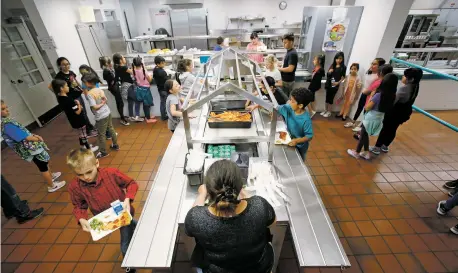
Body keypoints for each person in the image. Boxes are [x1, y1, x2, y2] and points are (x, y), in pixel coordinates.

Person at [185, 160, 276, 273]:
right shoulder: (259, 205)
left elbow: (189, 229)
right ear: (240, 187)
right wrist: (245, 196)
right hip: (259, 268)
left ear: (209, 189)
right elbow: (273, 222)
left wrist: (201, 194)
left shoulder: (196, 218)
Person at [67, 148, 138, 273]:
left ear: (97, 163)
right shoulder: (74, 187)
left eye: (89, 172)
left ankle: (129, 264)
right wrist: (81, 218)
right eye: (80, 175)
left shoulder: (111, 173)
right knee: (132, 224)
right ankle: (139, 226)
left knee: (125, 242)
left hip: (123, 213)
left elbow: (131, 183)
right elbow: (78, 205)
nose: (86, 177)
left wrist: (128, 198)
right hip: (105, 218)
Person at [1, 100, 66, 193]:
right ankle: (52, 185)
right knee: (42, 165)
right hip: (30, 148)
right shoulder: (7, 125)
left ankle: (51, 175)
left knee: (44, 160)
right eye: (3, 109)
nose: (7, 110)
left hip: (30, 146)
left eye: (6, 107)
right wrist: (36, 138)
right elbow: (23, 137)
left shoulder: (6, 122)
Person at [370, 68, 423, 155]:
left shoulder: (404, 89)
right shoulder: (416, 86)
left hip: (395, 112)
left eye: (405, 76)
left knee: (385, 129)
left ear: (411, 79)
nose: (403, 77)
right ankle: (385, 145)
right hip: (404, 112)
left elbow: (393, 101)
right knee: (393, 129)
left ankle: (377, 147)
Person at [347, 73, 397, 160]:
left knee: (362, 135)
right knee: (365, 135)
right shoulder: (393, 96)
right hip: (379, 118)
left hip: (371, 117)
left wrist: (371, 96)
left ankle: (357, 152)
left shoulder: (378, 95)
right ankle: (366, 152)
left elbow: (367, 107)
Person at [53, 57, 97, 136]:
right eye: (64, 65)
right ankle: (88, 131)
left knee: (84, 112)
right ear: (59, 66)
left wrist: (83, 90)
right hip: (72, 98)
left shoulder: (71, 72)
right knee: (80, 113)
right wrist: (62, 95)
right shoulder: (59, 76)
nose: (66, 66)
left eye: (67, 64)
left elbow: (75, 82)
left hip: (78, 94)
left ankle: (90, 128)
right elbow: (52, 86)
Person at [52, 79, 99, 152]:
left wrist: (76, 105)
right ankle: (88, 149)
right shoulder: (68, 100)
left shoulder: (60, 99)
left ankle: (83, 146)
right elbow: (77, 112)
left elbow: (71, 109)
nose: (68, 87)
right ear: (61, 88)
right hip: (79, 121)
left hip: (73, 121)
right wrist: (79, 105)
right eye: (66, 86)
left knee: (81, 134)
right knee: (83, 135)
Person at [82, 73, 119, 159]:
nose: (83, 84)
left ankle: (103, 152)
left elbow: (94, 107)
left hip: (101, 116)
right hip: (107, 112)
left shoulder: (90, 94)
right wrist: (103, 103)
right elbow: (104, 100)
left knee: (101, 134)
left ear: (88, 83)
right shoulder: (99, 90)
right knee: (111, 128)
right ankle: (115, 145)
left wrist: (101, 104)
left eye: (84, 82)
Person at [344, 57, 386, 128]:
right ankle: (353, 122)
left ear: (380, 66)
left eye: (375, 64)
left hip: (370, 95)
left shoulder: (379, 76)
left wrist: (370, 92)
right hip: (364, 93)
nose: (372, 65)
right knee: (359, 107)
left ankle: (361, 126)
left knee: (366, 110)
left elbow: (376, 87)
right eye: (372, 63)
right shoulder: (369, 71)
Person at [277, 88, 314, 160]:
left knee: (299, 160)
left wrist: (297, 141)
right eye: (290, 100)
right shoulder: (288, 108)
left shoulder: (306, 120)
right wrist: (258, 106)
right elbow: (276, 108)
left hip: (300, 146)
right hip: (289, 140)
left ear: (300, 105)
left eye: (292, 101)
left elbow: (309, 136)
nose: (289, 102)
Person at [100, 56, 130, 126]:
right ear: (106, 63)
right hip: (114, 88)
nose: (111, 63)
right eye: (109, 62)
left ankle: (122, 116)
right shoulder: (106, 71)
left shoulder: (109, 69)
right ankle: (122, 118)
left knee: (120, 102)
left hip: (114, 86)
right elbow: (112, 79)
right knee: (120, 102)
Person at [113, 53, 143, 122]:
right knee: (137, 99)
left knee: (130, 101)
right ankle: (137, 116)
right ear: (120, 60)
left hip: (124, 86)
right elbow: (133, 72)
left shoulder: (118, 68)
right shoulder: (124, 67)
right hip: (128, 86)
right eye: (123, 58)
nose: (125, 59)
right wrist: (136, 66)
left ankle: (131, 116)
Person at [132, 56, 157, 123]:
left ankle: (147, 116)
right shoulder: (143, 71)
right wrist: (151, 76)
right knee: (147, 104)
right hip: (145, 89)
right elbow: (150, 79)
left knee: (145, 103)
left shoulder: (134, 70)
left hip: (139, 88)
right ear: (141, 63)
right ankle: (148, 118)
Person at [322, 52, 346, 118]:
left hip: (335, 85)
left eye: (340, 58)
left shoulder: (343, 67)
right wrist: (329, 72)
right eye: (337, 58)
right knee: (327, 98)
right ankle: (325, 110)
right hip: (329, 83)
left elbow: (343, 77)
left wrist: (338, 82)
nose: (338, 60)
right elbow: (328, 74)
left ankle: (329, 111)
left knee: (331, 98)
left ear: (342, 59)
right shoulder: (332, 65)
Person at [278, 33, 298, 97]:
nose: (284, 45)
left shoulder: (292, 53)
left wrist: (279, 69)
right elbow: (287, 64)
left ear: (291, 42)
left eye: (285, 43)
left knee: (285, 99)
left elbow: (290, 69)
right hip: (285, 80)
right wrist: (280, 64)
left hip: (287, 81)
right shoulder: (289, 51)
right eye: (283, 43)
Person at [153, 56, 169, 121]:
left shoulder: (155, 69)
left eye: (164, 62)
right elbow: (167, 80)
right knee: (166, 103)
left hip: (160, 89)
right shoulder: (162, 72)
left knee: (162, 103)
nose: (164, 64)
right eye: (162, 63)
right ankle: (166, 115)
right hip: (164, 89)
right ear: (158, 64)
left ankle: (163, 116)